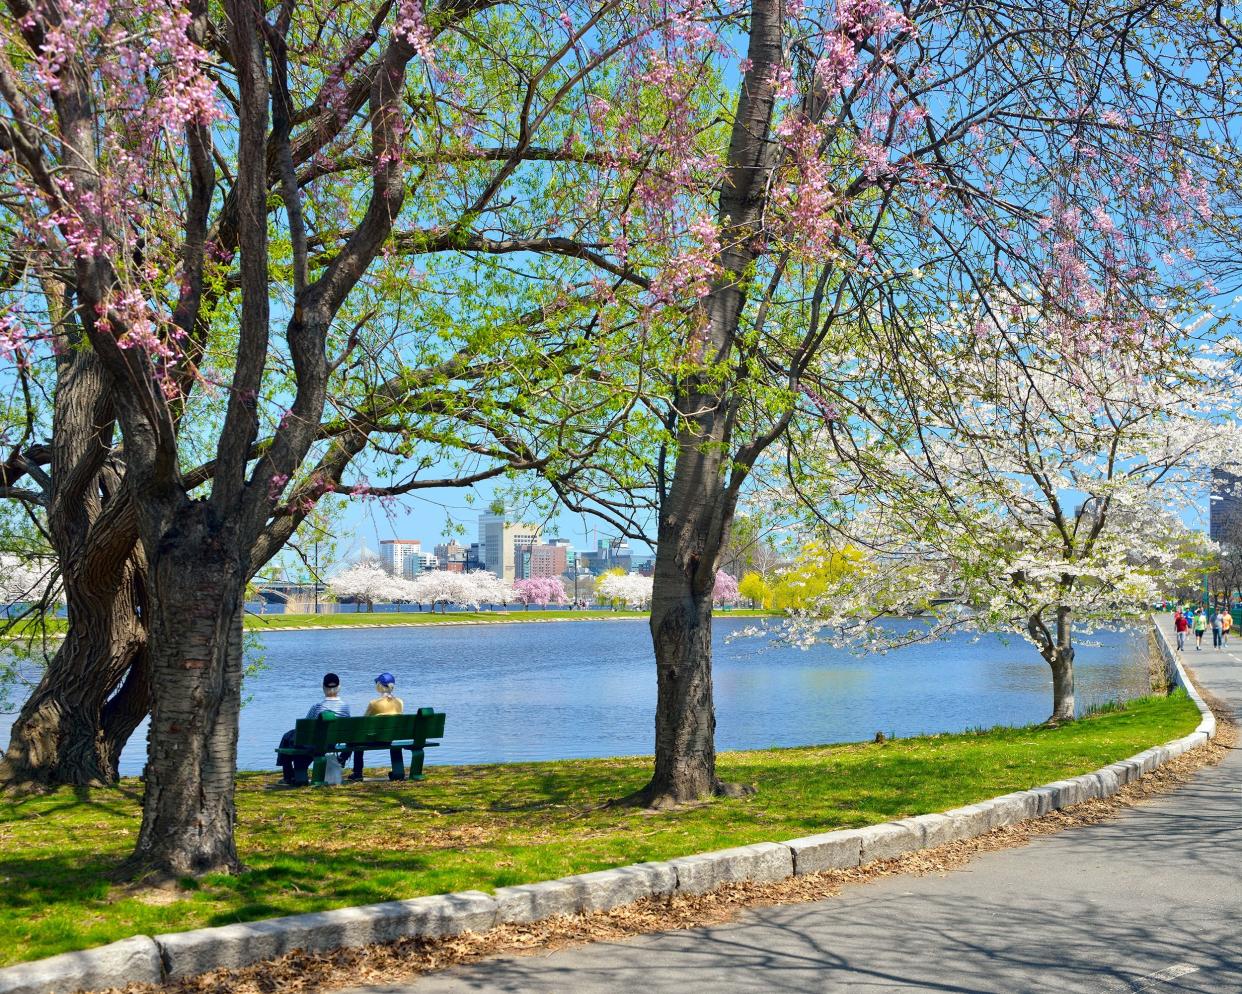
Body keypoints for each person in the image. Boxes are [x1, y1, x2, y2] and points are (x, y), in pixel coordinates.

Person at [276, 672, 352, 785]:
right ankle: (292, 776)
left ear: (323, 688)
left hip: (314, 742)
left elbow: (306, 728)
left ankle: (289, 776)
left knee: (288, 737)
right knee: (293, 738)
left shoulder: (317, 707)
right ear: (339, 687)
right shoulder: (345, 707)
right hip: (331, 743)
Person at [346, 672, 406, 782]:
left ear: (379, 685)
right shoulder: (400, 702)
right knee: (357, 740)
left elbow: (363, 723)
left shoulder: (374, 703)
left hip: (373, 739)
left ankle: (356, 772)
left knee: (357, 739)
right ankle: (398, 771)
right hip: (389, 739)